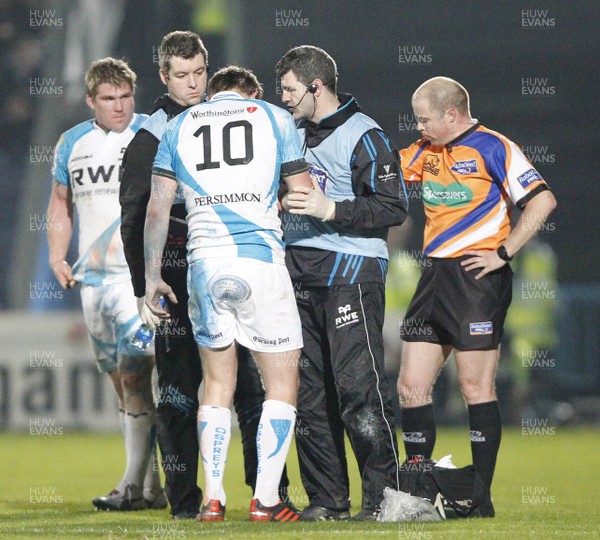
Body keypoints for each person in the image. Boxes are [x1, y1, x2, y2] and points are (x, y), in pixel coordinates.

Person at [119, 31, 289, 520]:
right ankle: (184, 500)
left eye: (199, 73)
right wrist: (141, 287)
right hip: (174, 271)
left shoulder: (221, 119)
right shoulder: (152, 133)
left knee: (251, 389)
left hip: (222, 263)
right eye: (182, 76)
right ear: (163, 77)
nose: (193, 84)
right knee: (177, 390)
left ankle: (267, 491)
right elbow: (135, 212)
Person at [396, 76, 557, 504]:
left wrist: (503, 253)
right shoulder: (425, 153)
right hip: (433, 277)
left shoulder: (494, 146)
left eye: (424, 118)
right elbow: (383, 172)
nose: (419, 127)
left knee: (474, 388)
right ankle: (417, 494)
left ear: (451, 113)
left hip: (476, 280)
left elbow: (542, 201)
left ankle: (479, 496)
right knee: (411, 386)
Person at [275, 45, 408, 521]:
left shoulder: (364, 134)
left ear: (316, 86)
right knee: (308, 395)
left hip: (350, 274)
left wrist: (331, 209)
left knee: (358, 388)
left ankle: (386, 500)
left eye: (290, 89)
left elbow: (394, 206)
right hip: (297, 276)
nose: (284, 98)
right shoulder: (289, 133)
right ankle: (328, 501)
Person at [47, 57, 166, 511]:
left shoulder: (150, 135)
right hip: (93, 282)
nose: (119, 106)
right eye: (109, 99)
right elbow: (60, 203)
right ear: (91, 101)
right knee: (123, 386)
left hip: (136, 282)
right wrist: (58, 255)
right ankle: (151, 488)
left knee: (136, 376)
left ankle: (130, 487)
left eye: (125, 97)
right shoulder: (70, 143)